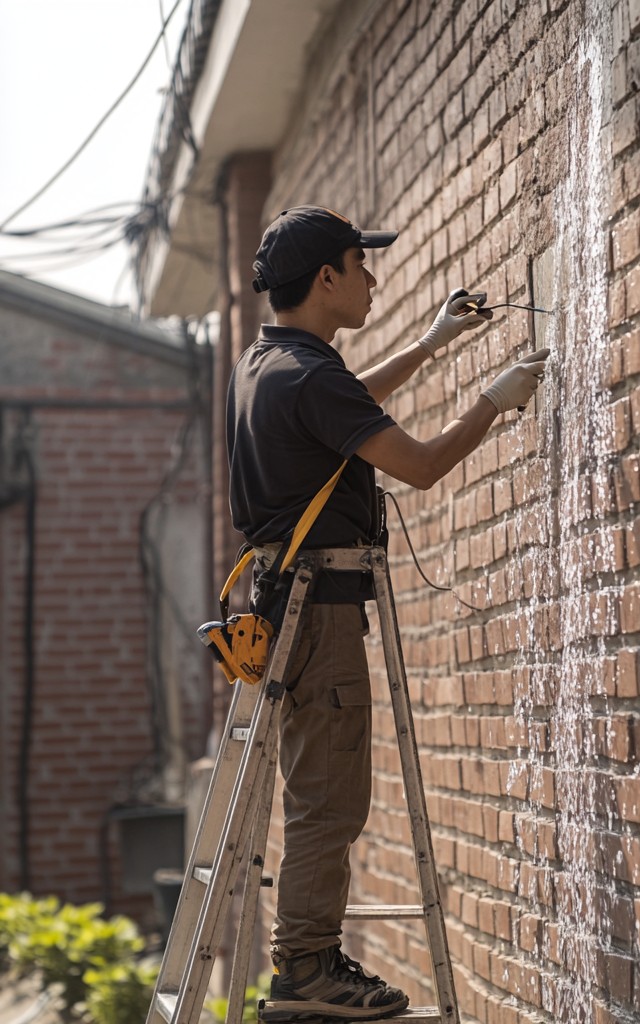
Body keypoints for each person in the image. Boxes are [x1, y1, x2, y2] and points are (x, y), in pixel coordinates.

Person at [225, 205, 549, 1020]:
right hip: (318, 613)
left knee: (320, 794)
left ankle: (307, 962)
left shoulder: (269, 364)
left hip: (282, 607)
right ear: (326, 277)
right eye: (359, 265)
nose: (373, 279)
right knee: (329, 803)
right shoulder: (308, 373)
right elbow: (424, 465)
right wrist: (495, 401)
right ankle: (304, 973)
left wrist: (434, 344)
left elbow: (340, 406)